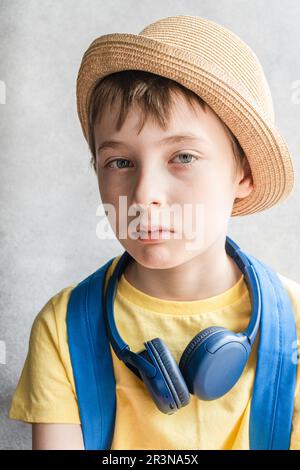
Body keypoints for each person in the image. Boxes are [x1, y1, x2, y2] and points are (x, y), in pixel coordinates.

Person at [8, 15, 300, 450]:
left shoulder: (294, 324)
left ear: (244, 173)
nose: (144, 195)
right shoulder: (63, 328)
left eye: (182, 156)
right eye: (120, 162)